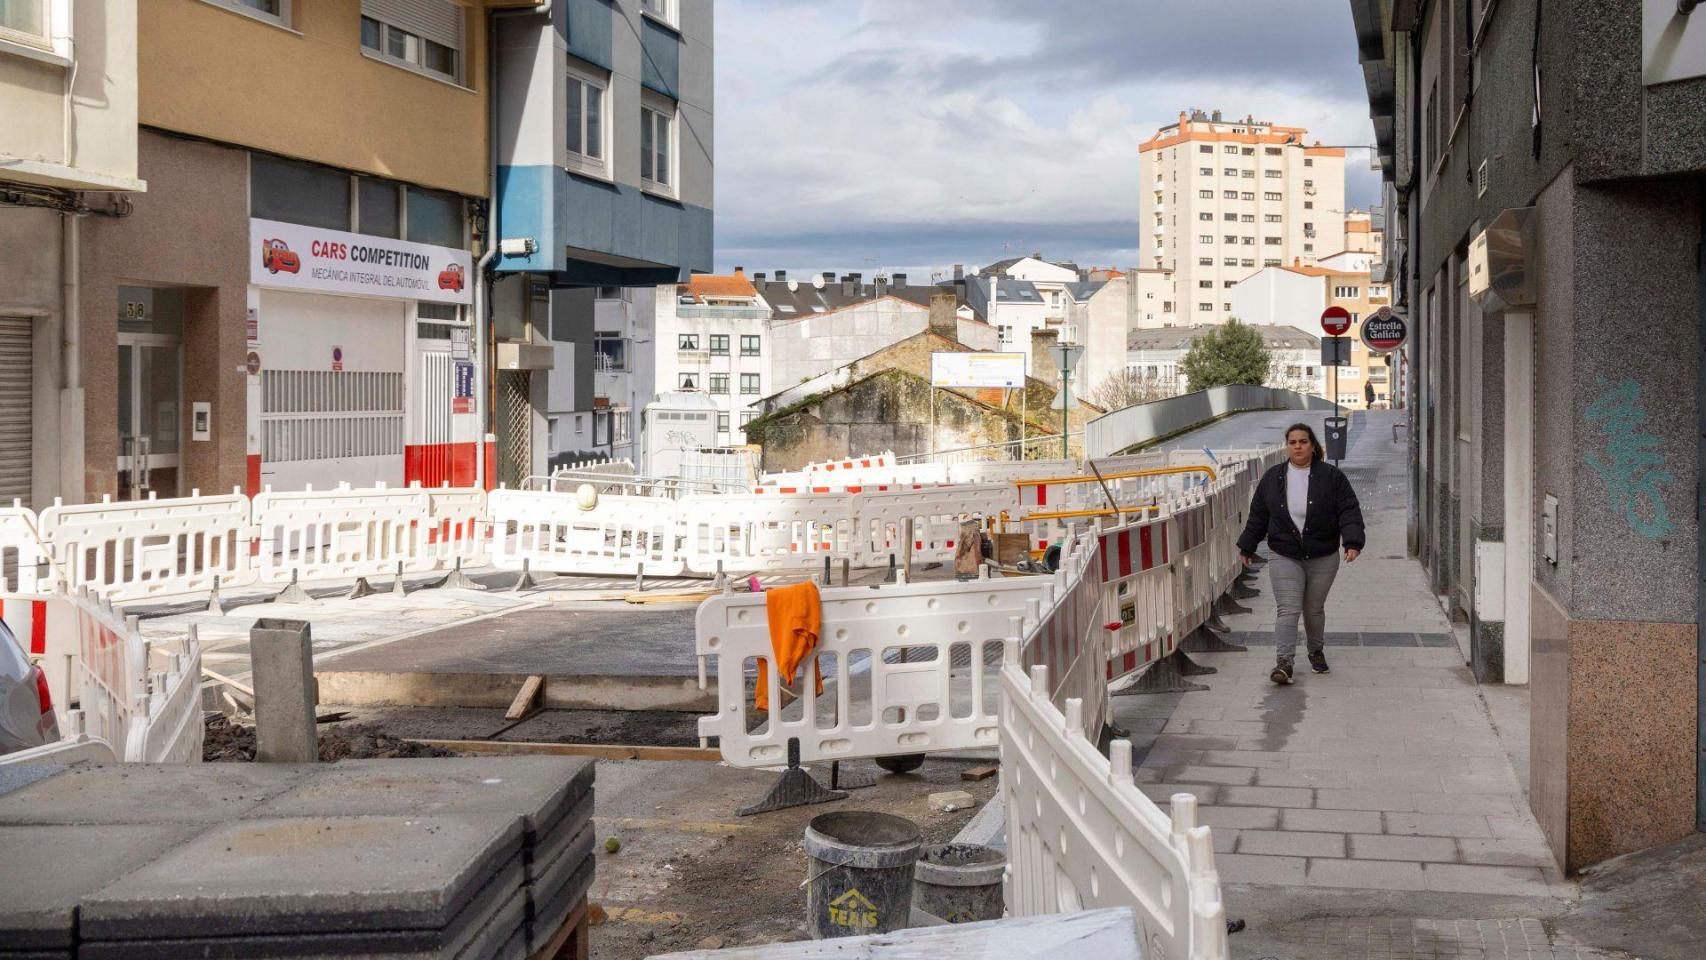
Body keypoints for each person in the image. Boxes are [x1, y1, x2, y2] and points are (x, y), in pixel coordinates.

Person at [1236, 423, 1366, 685]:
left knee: (1313, 609)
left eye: (1303, 441)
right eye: (1292, 442)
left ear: (1312, 445)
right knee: (1288, 609)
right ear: (1287, 446)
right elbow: (1259, 514)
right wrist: (1248, 545)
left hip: (1323, 554)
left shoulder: (1331, 477)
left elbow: (1348, 510)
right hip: (1284, 553)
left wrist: (1352, 542)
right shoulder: (1273, 477)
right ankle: (1284, 663)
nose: (1297, 446)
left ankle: (1315, 651)